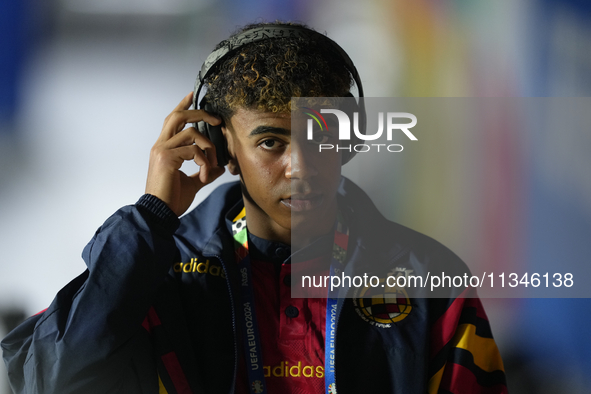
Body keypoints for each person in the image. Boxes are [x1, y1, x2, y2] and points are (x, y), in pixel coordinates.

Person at [1, 22, 507, 394]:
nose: (301, 167)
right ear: (221, 150)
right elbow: (45, 378)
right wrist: (152, 216)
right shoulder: (154, 275)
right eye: (270, 142)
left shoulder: (431, 281)